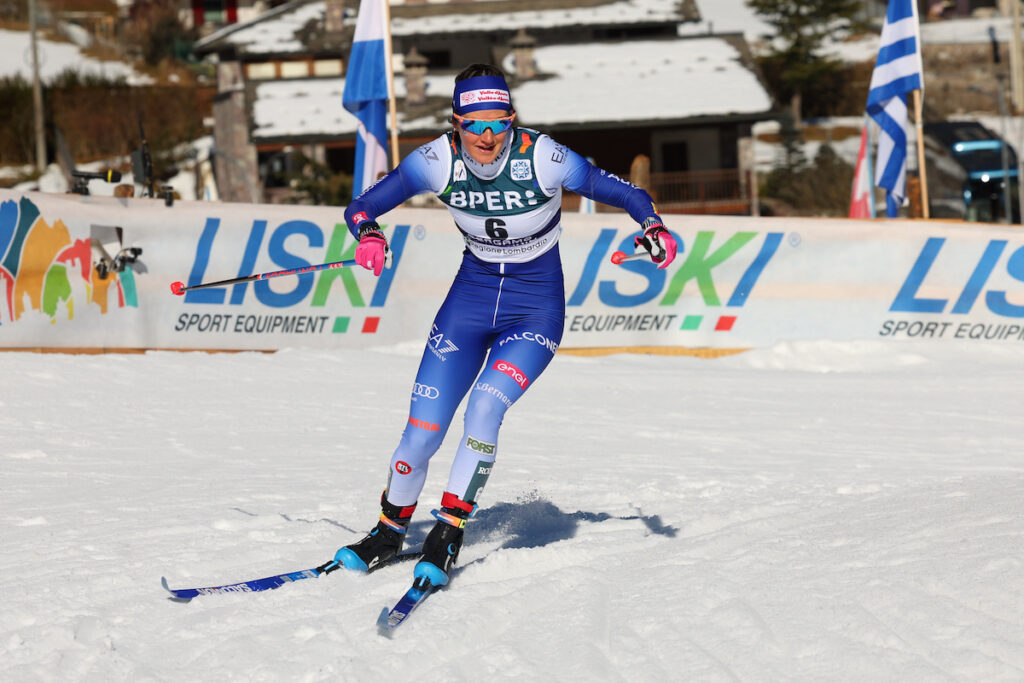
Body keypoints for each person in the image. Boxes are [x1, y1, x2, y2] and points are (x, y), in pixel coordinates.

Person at [333, 63, 677, 588]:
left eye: (499, 123)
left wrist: (653, 225)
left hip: (535, 309)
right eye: (475, 125)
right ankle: (387, 532)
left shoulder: (544, 156)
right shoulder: (433, 161)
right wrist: (370, 236)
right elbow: (362, 206)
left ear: (513, 119)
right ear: (456, 124)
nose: (488, 137)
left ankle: (446, 533)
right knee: (420, 435)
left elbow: (626, 193)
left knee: (485, 406)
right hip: (467, 304)